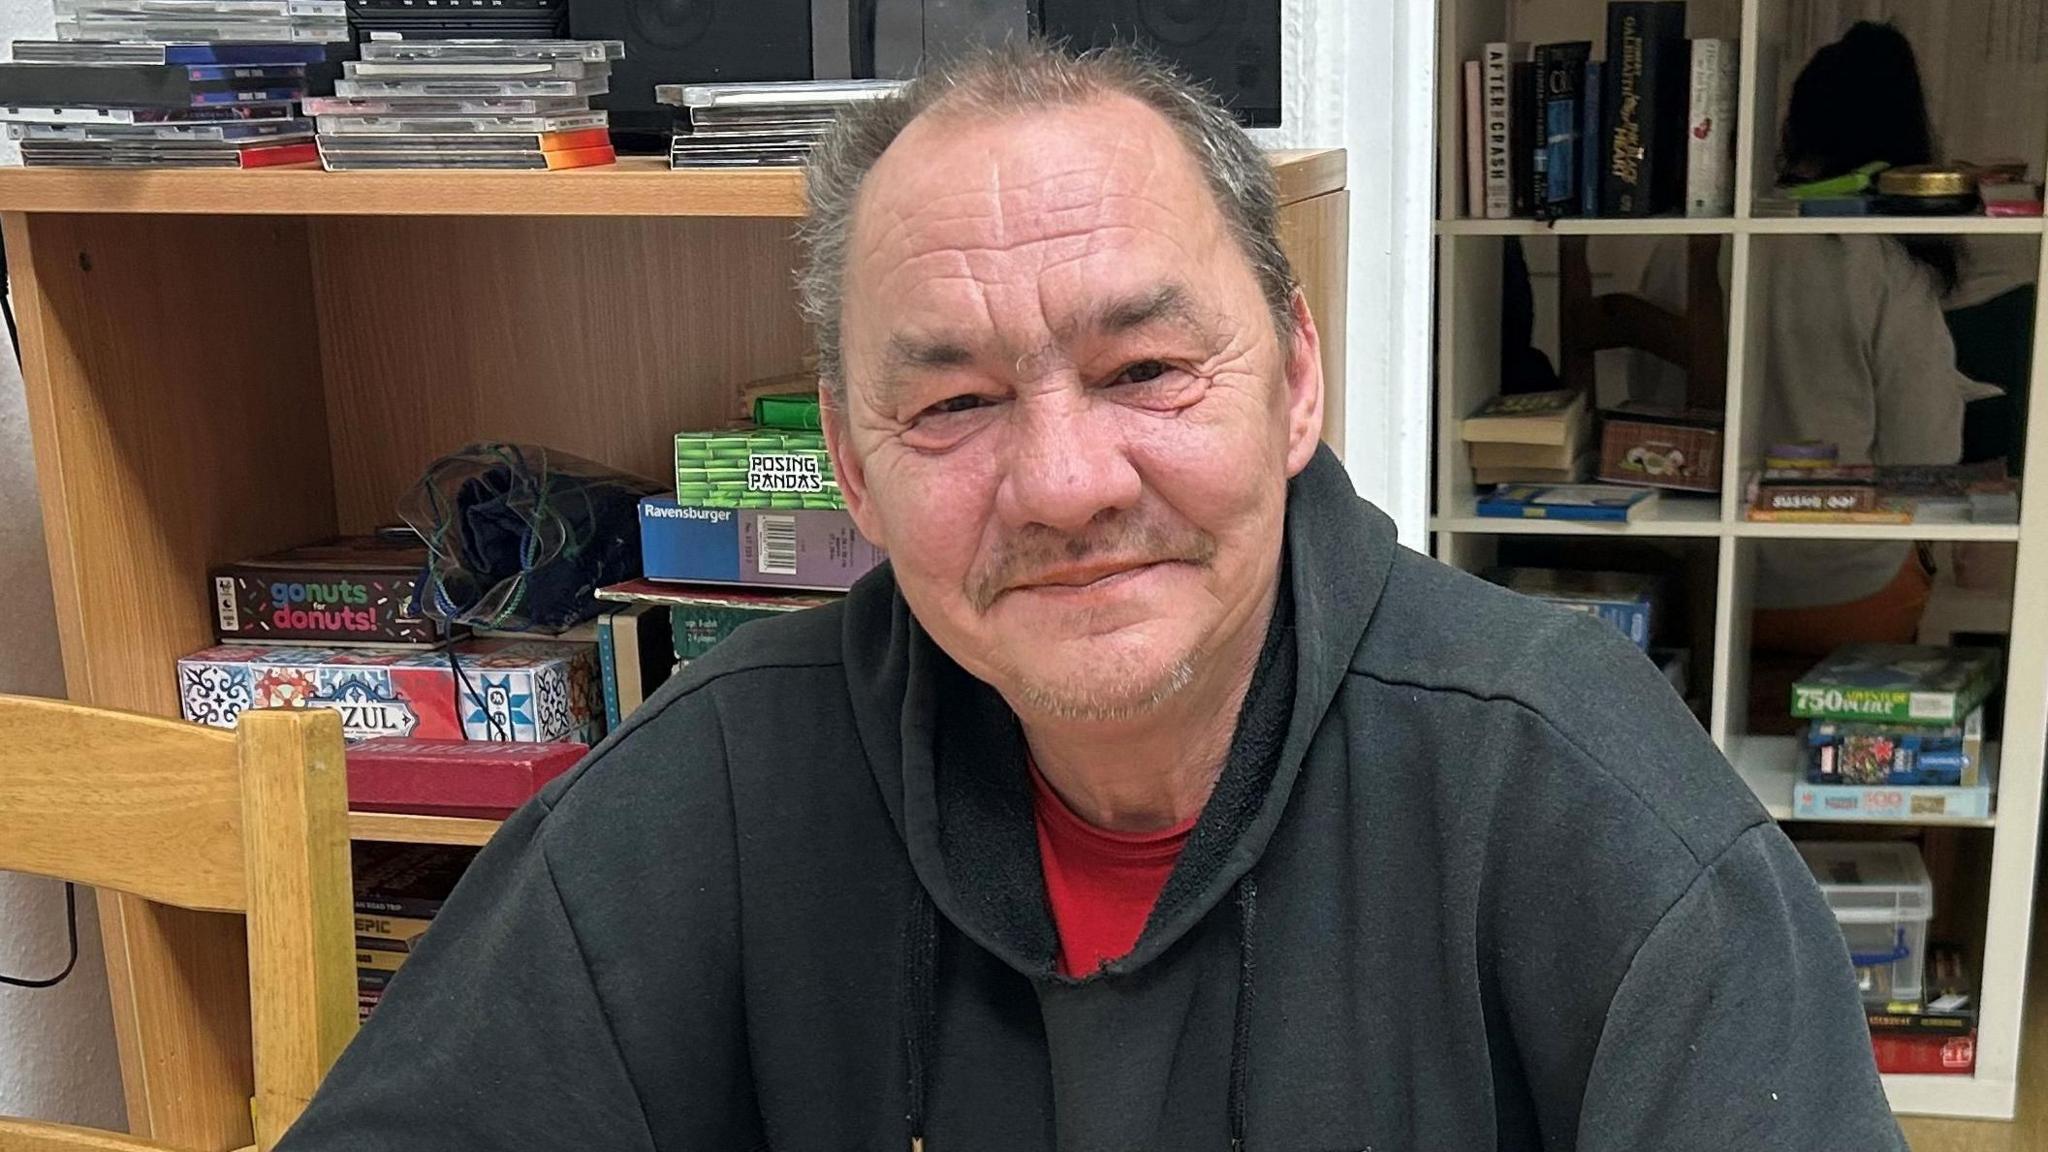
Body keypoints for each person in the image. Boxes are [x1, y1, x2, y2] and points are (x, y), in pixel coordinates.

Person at [278, 42, 1902, 1151]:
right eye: (955, 405)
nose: (1062, 482)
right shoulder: (690, 802)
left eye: (1142, 368)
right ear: (849, 464)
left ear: (1292, 381)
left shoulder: (1595, 817)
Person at [1750, 22, 2000, 705]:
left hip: (1706, 580)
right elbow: (1928, 459)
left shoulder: (1702, 239)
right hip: (1847, 588)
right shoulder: (1884, 260)